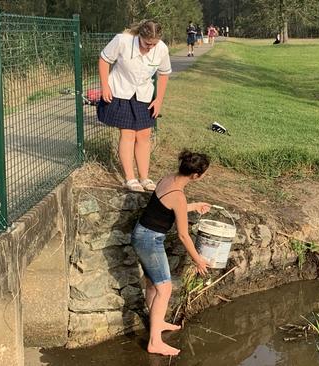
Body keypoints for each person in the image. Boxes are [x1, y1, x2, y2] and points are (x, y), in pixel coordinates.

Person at [131, 149, 212, 356]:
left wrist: (192, 206)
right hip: (150, 240)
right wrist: (198, 260)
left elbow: (165, 207)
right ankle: (155, 342)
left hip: (141, 234)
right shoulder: (179, 196)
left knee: (153, 285)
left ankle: (156, 324)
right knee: (164, 289)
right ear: (196, 175)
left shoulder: (168, 179)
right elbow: (184, 236)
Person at [98, 20, 172, 192]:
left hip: (144, 94)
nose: (150, 47)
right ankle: (130, 179)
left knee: (144, 135)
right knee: (128, 133)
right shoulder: (122, 40)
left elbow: (164, 73)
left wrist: (158, 100)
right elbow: (103, 59)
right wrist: (105, 86)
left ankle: (144, 178)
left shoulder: (161, 49)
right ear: (140, 36)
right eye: (147, 43)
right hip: (120, 91)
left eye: (154, 44)